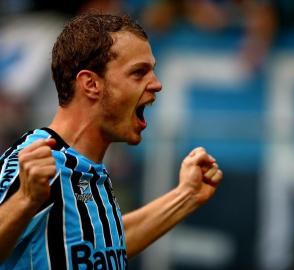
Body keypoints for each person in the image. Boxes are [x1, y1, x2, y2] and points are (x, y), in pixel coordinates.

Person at [0, 13, 223, 269]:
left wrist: (186, 196)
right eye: (139, 73)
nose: (157, 84)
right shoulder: (35, 162)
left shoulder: (89, 170)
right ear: (91, 84)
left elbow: (104, 246)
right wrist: (24, 200)